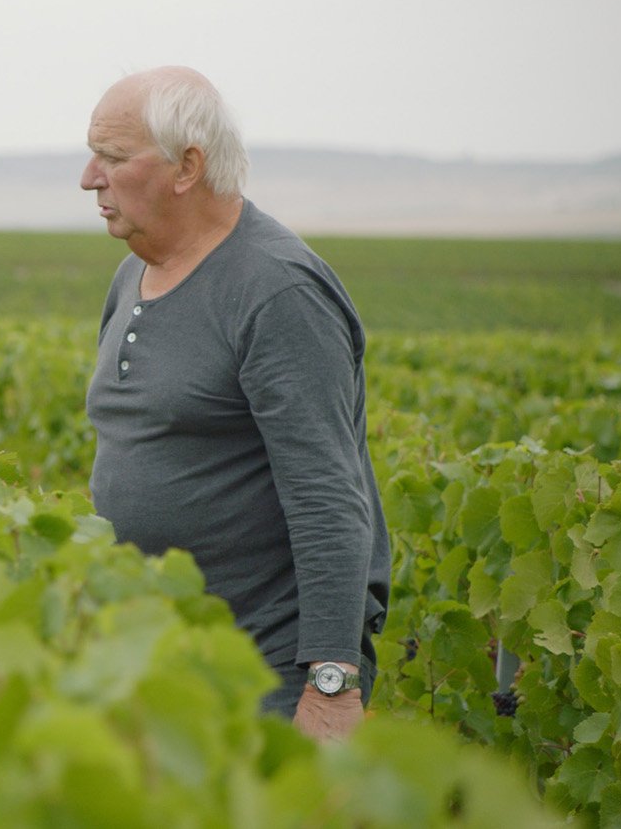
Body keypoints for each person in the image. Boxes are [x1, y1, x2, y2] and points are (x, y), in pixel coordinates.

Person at [80, 67, 390, 741]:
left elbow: (329, 497)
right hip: (155, 661)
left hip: (264, 675)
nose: (88, 178)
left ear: (186, 167)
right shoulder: (133, 272)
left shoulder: (277, 292)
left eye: (111, 157)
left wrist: (330, 682)